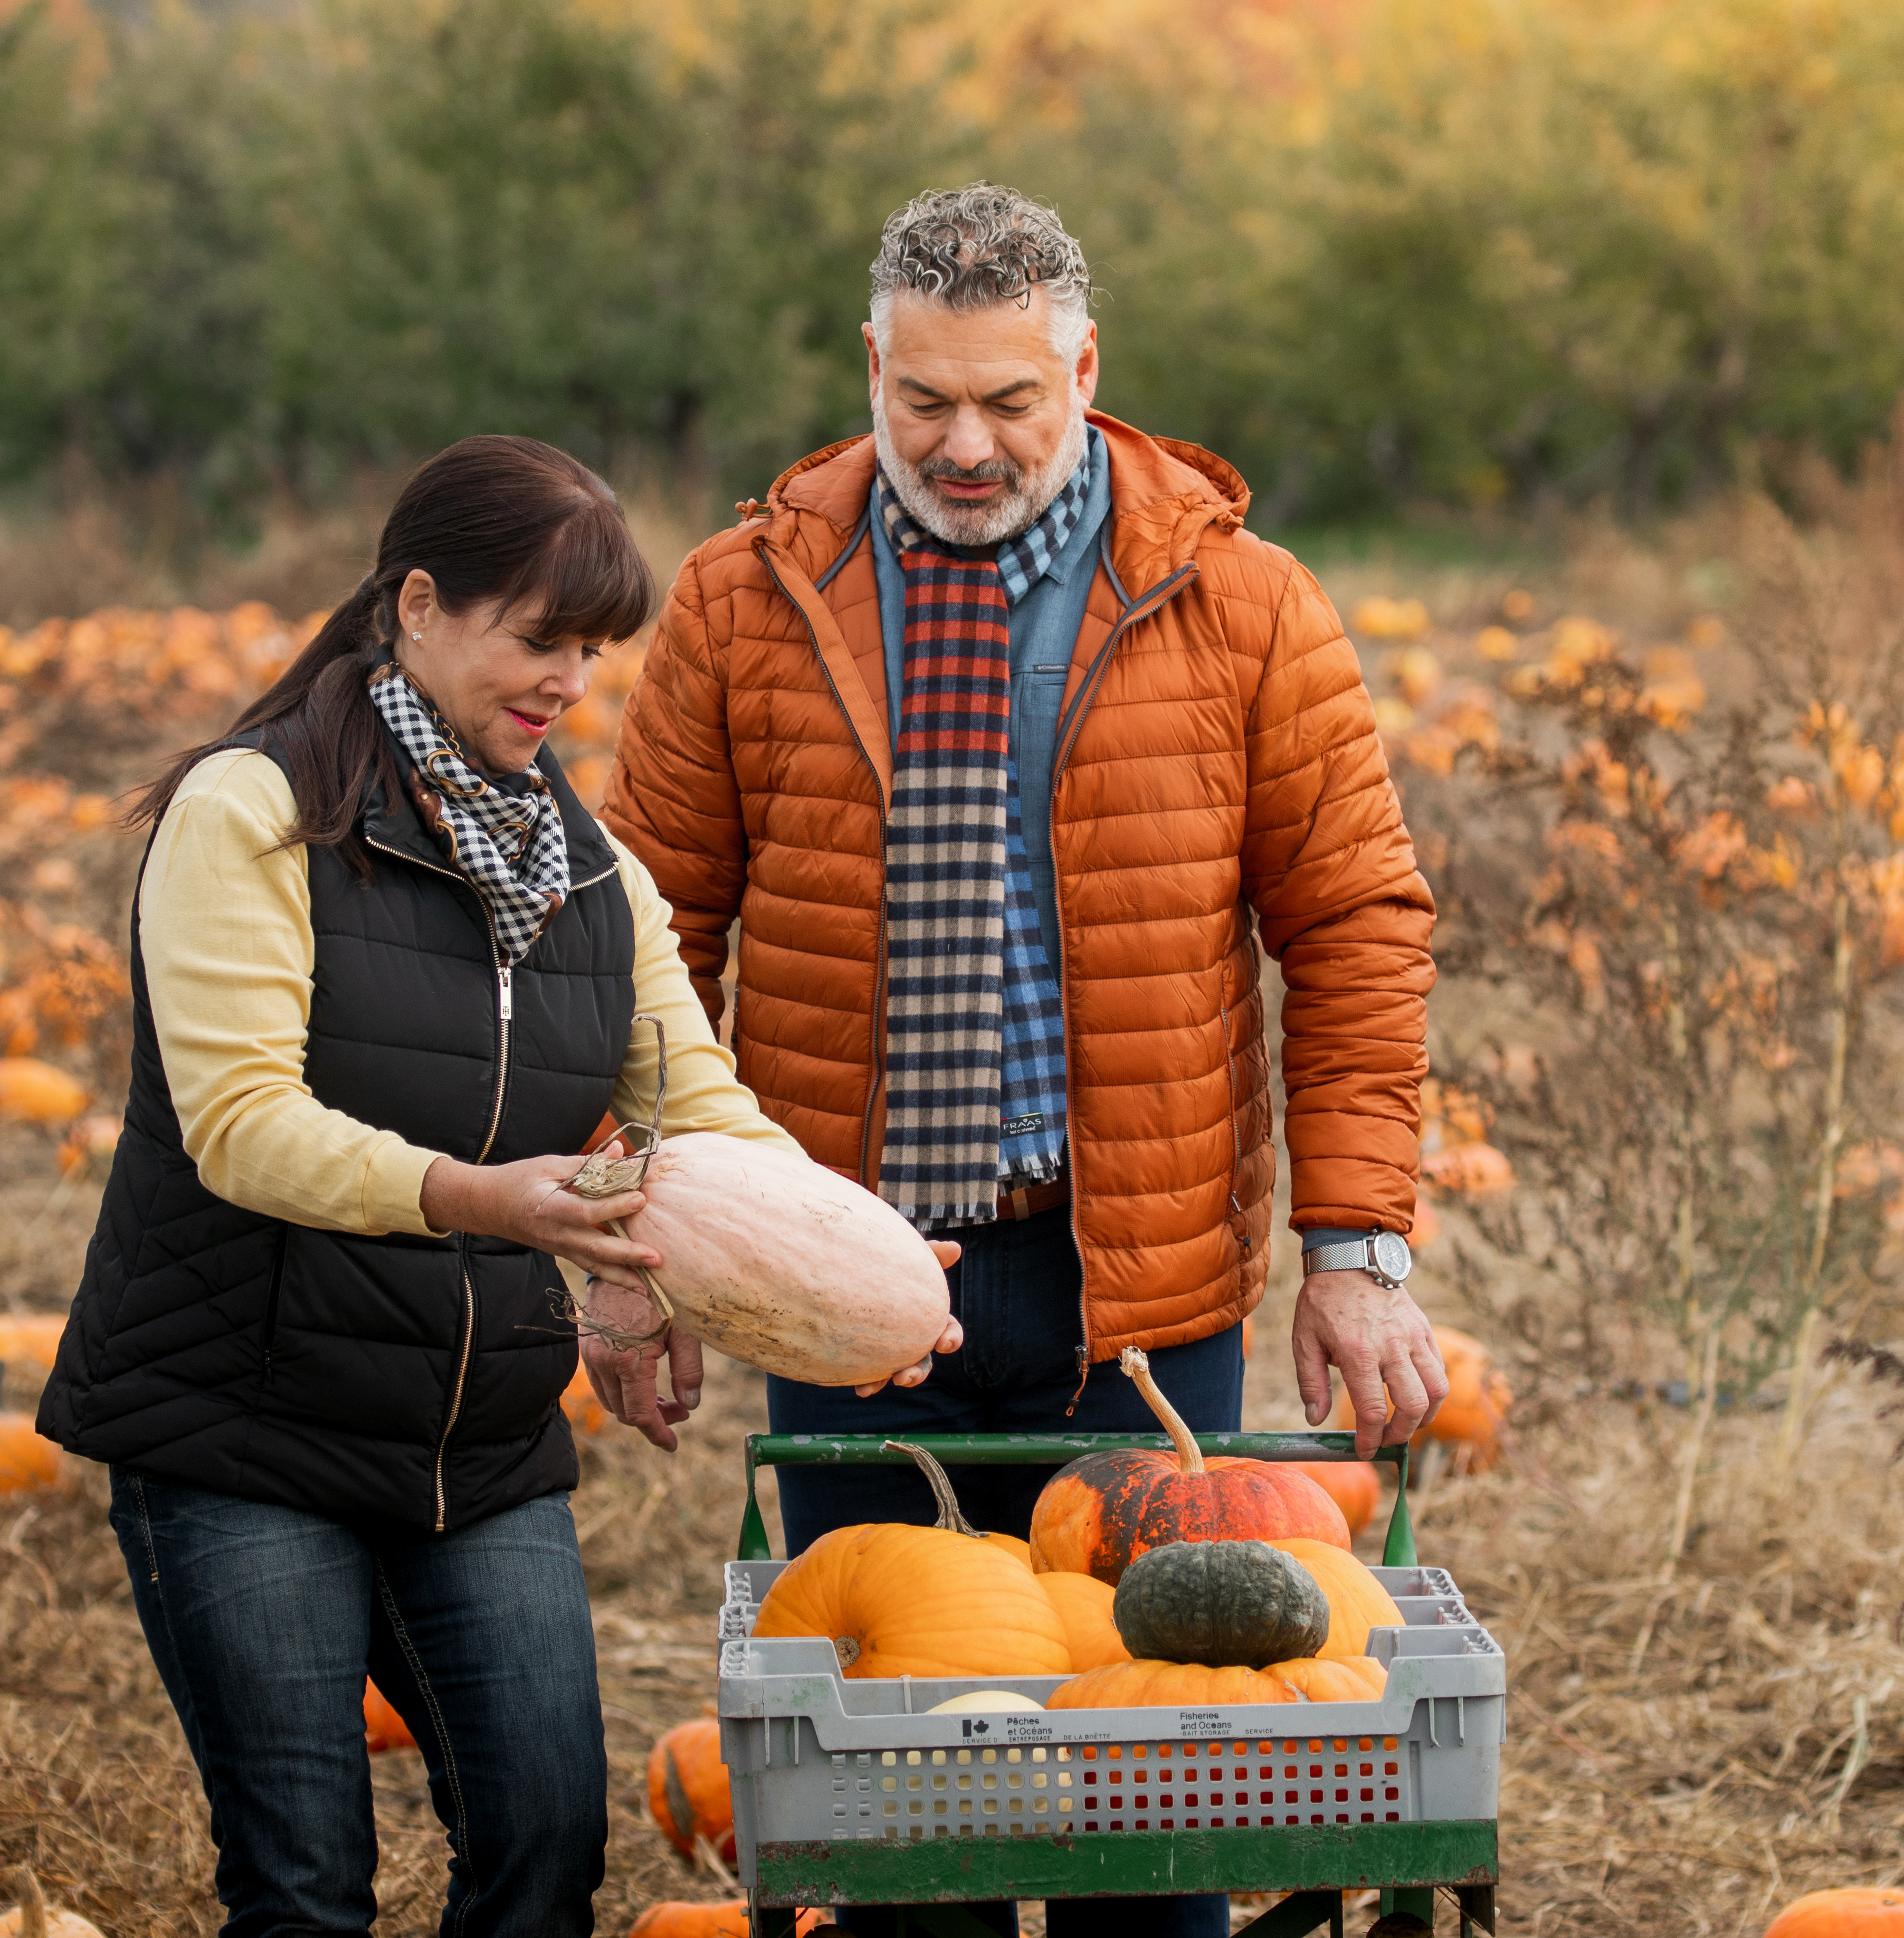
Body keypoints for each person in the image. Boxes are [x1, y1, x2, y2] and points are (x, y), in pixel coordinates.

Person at [601, 185, 1445, 1938]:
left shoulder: (1240, 603)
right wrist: (641, 1242)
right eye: (926, 403)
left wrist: (1357, 1253)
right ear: (871, 367)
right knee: (895, 1818)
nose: (966, 446)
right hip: (835, 1282)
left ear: (1085, 367)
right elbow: (646, 936)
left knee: (1154, 1796)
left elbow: (1357, 920)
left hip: (1129, 1289)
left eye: (1012, 402)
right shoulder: (746, 600)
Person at [37, 436, 952, 1938]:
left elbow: (700, 1110)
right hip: (241, 1424)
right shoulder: (252, 815)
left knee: (543, 1847)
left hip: (474, 1439)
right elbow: (243, 1125)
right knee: (306, 1883)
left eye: (592, 650)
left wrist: (858, 1265)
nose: (570, 682)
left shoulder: (595, 874)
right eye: (539, 639)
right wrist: (492, 1200)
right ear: (416, 605)